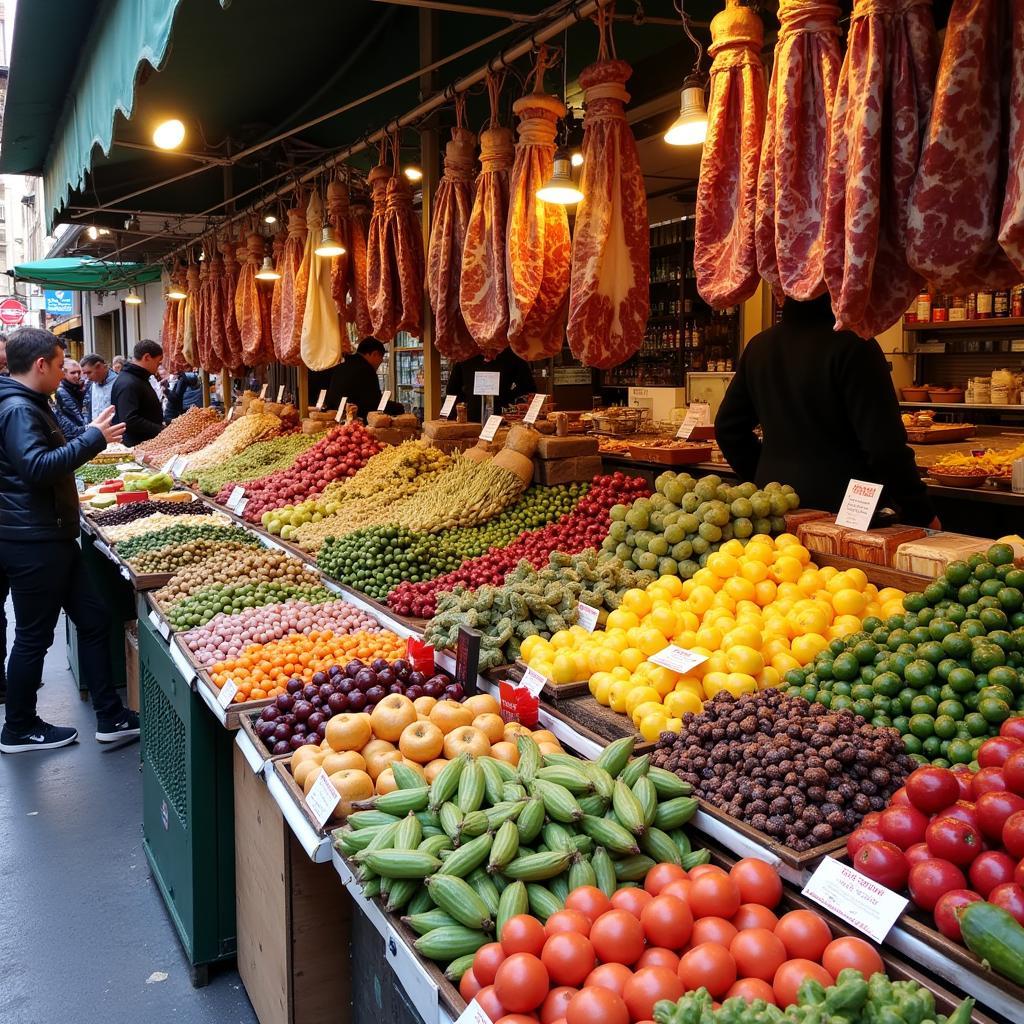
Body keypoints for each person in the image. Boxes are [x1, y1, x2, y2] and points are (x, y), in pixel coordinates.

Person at [0, 327, 139, 752]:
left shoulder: (28, 403)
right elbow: (38, 468)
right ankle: (19, 728)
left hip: (49, 533)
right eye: (61, 366)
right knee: (34, 636)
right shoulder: (19, 410)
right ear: (40, 365)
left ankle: (110, 716)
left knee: (95, 620)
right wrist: (92, 439)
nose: (64, 374)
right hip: (34, 540)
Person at [715, 295, 938, 527]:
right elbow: (883, 446)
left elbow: (728, 429)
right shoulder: (855, 344)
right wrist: (919, 510)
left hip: (775, 508)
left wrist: (768, 474)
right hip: (845, 511)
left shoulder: (759, 346)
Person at [445, 347, 537, 422]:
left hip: (499, 419)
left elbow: (528, 389)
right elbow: (452, 390)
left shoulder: (466, 352)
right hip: (479, 419)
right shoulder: (466, 354)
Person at [324, 338, 405, 418]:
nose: (380, 363)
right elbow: (374, 403)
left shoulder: (341, 366)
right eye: (381, 359)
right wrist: (398, 408)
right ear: (374, 354)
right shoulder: (366, 370)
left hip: (335, 417)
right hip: (355, 421)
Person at [111, 339, 165, 445]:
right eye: (158, 362)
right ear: (147, 357)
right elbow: (129, 419)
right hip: (136, 445)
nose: (158, 367)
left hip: (145, 443)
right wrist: (161, 429)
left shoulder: (138, 378)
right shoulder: (128, 382)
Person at [52, 358, 87, 440]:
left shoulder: (75, 387)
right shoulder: (62, 391)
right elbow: (76, 415)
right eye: (73, 373)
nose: (77, 375)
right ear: (64, 373)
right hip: (73, 434)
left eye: (78, 372)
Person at [80, 353, 117, 419]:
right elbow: (87, 409)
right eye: (85, 374)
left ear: (99, 366)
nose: (87, 377)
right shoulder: (90, 385)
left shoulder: (118, 383)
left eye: (89, 373)